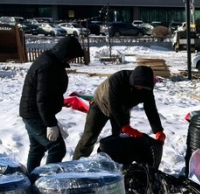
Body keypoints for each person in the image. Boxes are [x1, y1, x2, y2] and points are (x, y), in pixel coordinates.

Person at [19, 36, 85, 172]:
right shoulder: (48, 66)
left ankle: (32, 180)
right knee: (57, 148)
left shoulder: (52, 61)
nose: (73, 60)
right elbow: (42, 99)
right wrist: (50, 124)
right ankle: (47, 181)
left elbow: (49, 92)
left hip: (32, 111)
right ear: (66, 53)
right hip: (35, 113)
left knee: (37, 148)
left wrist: (59, 102)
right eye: (73, 57)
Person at [73, 66, 165, 160]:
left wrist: (158, 130)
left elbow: (151, 109)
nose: (139, 89)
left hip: (122, 109)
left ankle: (116, 166)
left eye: (143, 87)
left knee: (119, 141)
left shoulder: (147, 87)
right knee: (89, 137)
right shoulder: (118, 79)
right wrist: (125, 126)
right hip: (99, 106)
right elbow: (114, 105)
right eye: (137, 86)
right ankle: (75, 165)